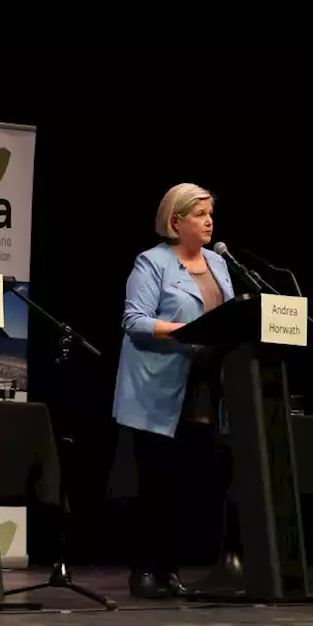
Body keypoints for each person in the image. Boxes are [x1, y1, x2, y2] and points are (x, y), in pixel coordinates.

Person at [111, 183, 236, 599]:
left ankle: (170, 569)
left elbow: (235, 315)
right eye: (200, 214)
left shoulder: (219, 263)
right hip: (158, 388)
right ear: (176, 220)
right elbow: (135, 321)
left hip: (207, 388)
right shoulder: (152, 263)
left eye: (210, 213)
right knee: (156, 484)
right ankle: (145, 570)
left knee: (187, 485)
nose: (208, 221)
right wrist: (188, 331)